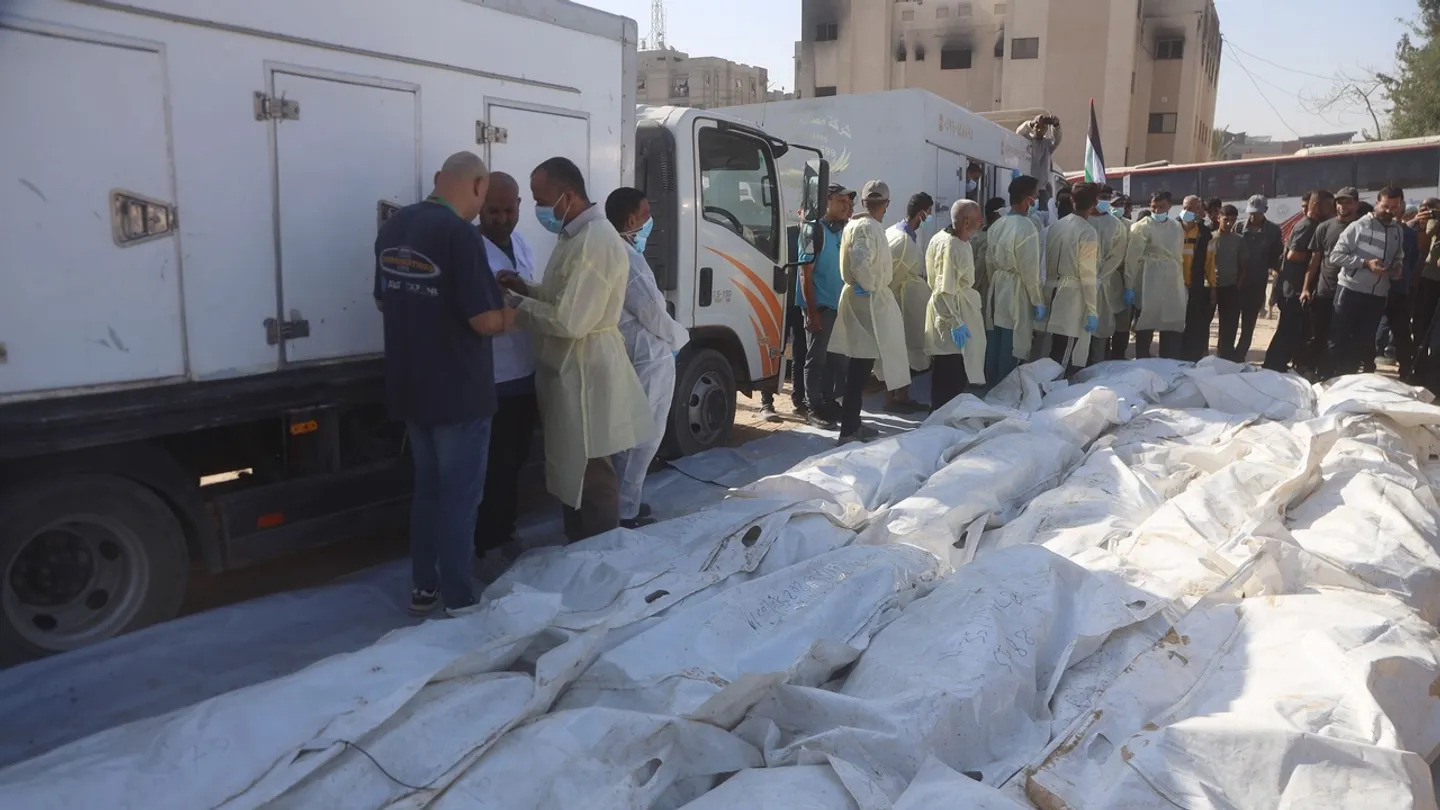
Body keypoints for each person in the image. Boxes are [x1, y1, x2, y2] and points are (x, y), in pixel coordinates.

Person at [373, 151, 514, 615]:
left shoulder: (393, 228)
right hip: (459, 393)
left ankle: (423, 587)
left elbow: (384, 300)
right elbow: (484, 321)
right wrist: (514, 312)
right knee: (460, 498)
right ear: (477, 186)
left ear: (438, 180)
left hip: (410, 386)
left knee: (429, 491)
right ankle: (458, 596)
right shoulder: (460, 236)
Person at [511, 156, 653, 542]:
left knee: (591, 473)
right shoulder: (573, 237)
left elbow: (569, 320)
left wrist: (514, 306)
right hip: (573, 368)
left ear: (566, 196)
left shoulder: (594, 241)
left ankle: (599, 556)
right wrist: (527, 290)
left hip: (586, 368)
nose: (539, 209)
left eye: (542, 200)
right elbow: (563, 296)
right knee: (574, 468)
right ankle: (581, 549)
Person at [604, 188, 689, 529]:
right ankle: (625, 510)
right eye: (647, 213)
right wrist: (680, 337)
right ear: (631, 220)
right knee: (643, 437)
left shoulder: (611, 251)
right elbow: (652, 313)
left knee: (628, 435)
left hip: (631, 355)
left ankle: (621, 504)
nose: (650, 220)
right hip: (648, 358)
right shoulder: (630, 259)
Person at [474, 171, 540, 557]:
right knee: (491, 467)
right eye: (492, 211)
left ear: (518, 207)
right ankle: (488, 542)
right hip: (490, 377)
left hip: (524, 374)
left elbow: (527, 293)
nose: (501, 218)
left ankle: (505, 533)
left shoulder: (522, 243)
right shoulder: (469, 248)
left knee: (514, 460)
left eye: (508, 210)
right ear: (480, 208)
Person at [830, 180, 911, 443]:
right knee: (860, 367)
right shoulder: (867, 227)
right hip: (868, 301)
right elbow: (862, 260)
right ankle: (849, 429)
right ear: (886, 205)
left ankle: (853, 423)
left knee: (860, 366)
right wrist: (867, 284)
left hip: (865, 297)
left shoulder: (856, 224)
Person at [1324, 186, 1407, 379]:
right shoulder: (1359, 226)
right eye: (1385, 206)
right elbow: (1336, 256)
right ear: (1377, 203)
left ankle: (1348, 379)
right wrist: (1365, 263)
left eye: (1394, 207)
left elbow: (1398, 255)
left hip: (1377, 296)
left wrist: (1397, 266)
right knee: (1338, 337)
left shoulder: (1397, 231)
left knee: (1361, 341)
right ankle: (1329, 378)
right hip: (1350, 291)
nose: (1389, 211)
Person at [797, 184, 856, 429]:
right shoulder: (812, 230)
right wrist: (811, 312)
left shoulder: (844, 231)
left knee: (837, 358)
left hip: (840, 305)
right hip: (820, 306)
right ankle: (813, 407)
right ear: (827, 202)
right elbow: (805, 274)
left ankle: (829, 401)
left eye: (849, 202)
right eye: (841, 200)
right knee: (816, 359)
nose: (847, 206)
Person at [1263, 189, 1334, 372]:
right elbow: (1293, 255)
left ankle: (1281, 365)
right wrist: (1316, 257)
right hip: (1292, 288)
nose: (1332, 209)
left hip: (1295, 287)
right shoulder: (1308, 226)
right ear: (1317, 206)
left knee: (1295, 331)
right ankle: (1273, 366)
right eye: (1328, 205)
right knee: (1288, 330)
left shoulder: (1315, 224)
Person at [925, 200, 987, 408]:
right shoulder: (951, 245)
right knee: (951, 372)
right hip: (951, 313)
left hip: (956, 309)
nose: (982, 222)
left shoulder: (949, 240)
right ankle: (944, 421)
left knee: (950, 370)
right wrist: (955, 322)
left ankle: (945, 418)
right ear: (966, 221)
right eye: (979, 219)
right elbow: (945, 289)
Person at [985, 175, 1045, 382]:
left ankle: (991, 383)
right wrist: (1037, 300)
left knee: (996, 336)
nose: (1037, 199)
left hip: (998, 285)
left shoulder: (997, 225)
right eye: (1035, 195)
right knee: (1014, 339)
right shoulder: (1027, 227)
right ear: (1027, 198)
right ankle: (1006, 387)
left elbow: (989, 262)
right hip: (1017, 288)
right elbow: (1030, 269)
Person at [883, 192, 935, 413]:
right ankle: (892, 399)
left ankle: (902, 395)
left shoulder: (899, 232)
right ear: (921, 213)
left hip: (902, 299)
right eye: (929, 212)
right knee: (895, 350)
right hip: (896, 300)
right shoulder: (903, 240)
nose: (930, 216)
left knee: (902, 350)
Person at [1301, 187, 1361, 374]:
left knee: (1346, 337)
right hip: (1325, 290)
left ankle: (1342, 374)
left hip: (1351, 291)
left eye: (1348, 202)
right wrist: (1306, 288)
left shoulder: (1362, 228)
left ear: (1356, 204)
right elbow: (1315, 261)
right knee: (1320, 334)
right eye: (1340, 202)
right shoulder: (1324, 227)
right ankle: (1317, 372)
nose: (1343, 206)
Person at [1044, 182, 1101, 374]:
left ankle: (1048, 389)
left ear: (1071, 199)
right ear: (1094, 204)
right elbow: (1087, 274)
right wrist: (1092, 309)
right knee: (1065, 354)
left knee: (1054, 349)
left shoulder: (1056, 226)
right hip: (1072, 295)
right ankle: (1054, 393)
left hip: (1052, 289)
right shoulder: (1087, 232)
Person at [1124, 190, 1187, 359]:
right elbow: (1132, 258)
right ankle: (1143, 359)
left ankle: (1168, 359)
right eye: (1154, 207)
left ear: (1170, 206)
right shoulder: (1141, 227)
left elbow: (1178, 255)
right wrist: (1129, 285)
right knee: (1146, 320)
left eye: (1161, 207)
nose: (1157, 211)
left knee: (1171, 320)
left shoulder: (1176, 227)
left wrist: (1180, 282)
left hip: (1171, 280)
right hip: (1148, 279)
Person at [1233, 196, 1284, 362]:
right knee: (1231, 322)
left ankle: (1240, 355)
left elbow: (1276, 257)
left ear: (1265, 211)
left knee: (1249, 323)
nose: (1253, 216)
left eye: (1257, 213)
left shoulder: (1274, 231)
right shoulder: (1239, 226)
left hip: (1257, 283)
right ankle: (1226, 354)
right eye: (1251, 213)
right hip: (1235, 283)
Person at [1091, 185, 1130, 364]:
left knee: (1103, 329)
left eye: (1107, 197)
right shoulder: (1085, 221)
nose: (1104, 201)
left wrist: (1100, 276)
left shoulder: (1116, 225)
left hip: (1107, 282)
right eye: (1101, 197)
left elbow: (1116, 255)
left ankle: (1100, 367)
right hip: (1082, 282)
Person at [1178, 195, 1218, 361]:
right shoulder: (1172, 228)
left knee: (1193, 325)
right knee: (1175, 325)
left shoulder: (1204, 233)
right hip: (1174, 285)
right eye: (1185, 207)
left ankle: (1192, 357)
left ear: (1198, 211)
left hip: (1195, 286)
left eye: (1192, 209)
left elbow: (1209, 262)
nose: (1187, 211)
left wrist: (1213, 286)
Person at [1212, 205, 1246, 361]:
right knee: (1204, 322)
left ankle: (1225, 355)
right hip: (1211, 287)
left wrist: (1238, 285)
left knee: (1229, 324)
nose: (1228, 224)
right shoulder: (1210, 238)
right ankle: (1201, 353)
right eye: (1226, 220)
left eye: (1232, 220)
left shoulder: (1238, 240)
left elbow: (1244, 265)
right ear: (1219, 218)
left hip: (1231, 287)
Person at [1409, 198, 1440, 372]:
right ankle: (1420, 370)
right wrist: (1424, 223)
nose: (1429, 210)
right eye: (1426, 208)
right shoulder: (1425, 223)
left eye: (1433, 208)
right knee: (1421, 326)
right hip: (1428, 279)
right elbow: (1423, 246)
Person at [1016, 114, 1062, 204]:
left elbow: (1057, 140)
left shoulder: (1047, 144)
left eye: (1044, 128)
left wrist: (1056, 126)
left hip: (1041, 190)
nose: (1040, 130)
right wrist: (1031, 123)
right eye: (1037, 127)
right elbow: (1019, 132)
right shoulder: (1027, 140)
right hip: (1026, 189)